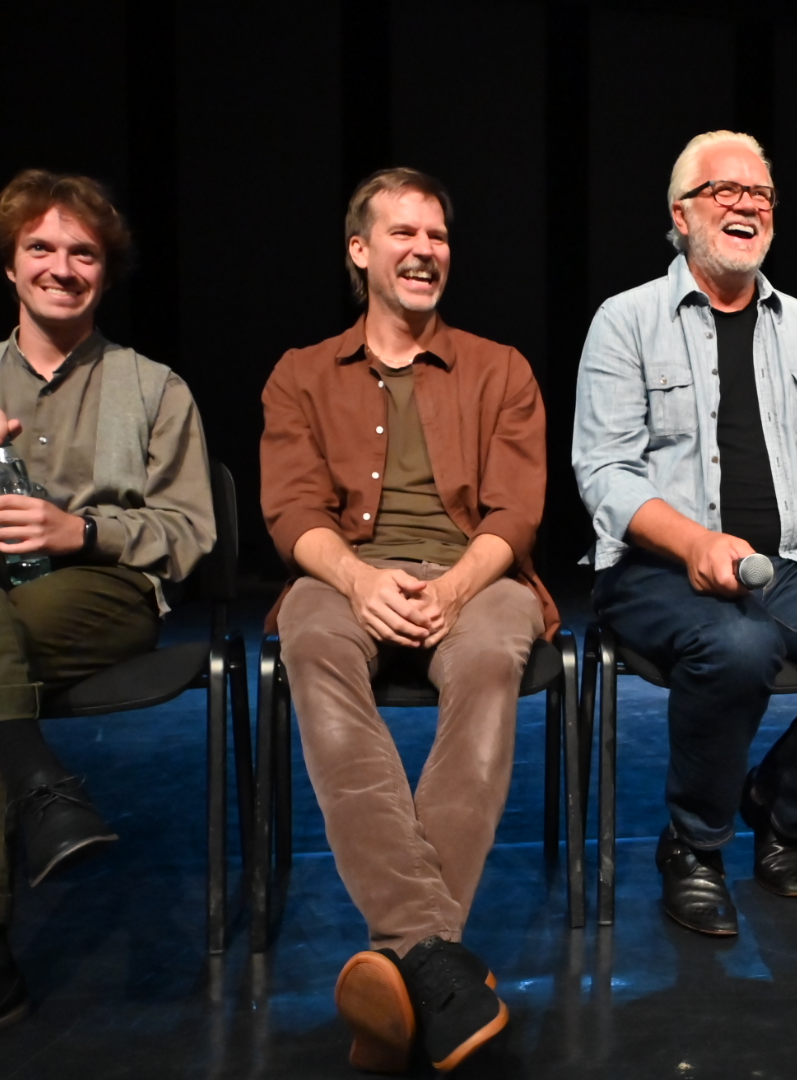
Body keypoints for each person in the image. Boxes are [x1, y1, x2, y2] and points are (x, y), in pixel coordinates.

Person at [572, 130, 797, 937]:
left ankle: (780, 807)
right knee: (737, 649)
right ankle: (695, 847)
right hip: (656, 567)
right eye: (725, 192)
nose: (747, 206)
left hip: (791, 563)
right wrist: (694, 542)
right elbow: (605, 471)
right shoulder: (626, 321)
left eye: (761, 195)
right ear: (681, 213)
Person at [0, 171, 215, 1071]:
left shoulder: (155, 389)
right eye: (41, 248)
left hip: (96, 589)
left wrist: (84, 529)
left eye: (83, 253)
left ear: (105, 275)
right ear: (9, 265)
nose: (62, 267)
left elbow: (190, 535)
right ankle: (41, 787)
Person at [261, 168, 555, 1073]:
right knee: (308, 639)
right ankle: (433, 957)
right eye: (404, 234)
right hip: (349, 574)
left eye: (438, 237)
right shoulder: (301, 374)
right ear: (361, 251)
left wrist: (461, 585)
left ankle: (401, 962)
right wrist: (355, 579)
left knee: (492, 660)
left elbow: (516, 514)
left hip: (476, 572)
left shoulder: (500, 367)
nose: (426, 251)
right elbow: (290, 512)